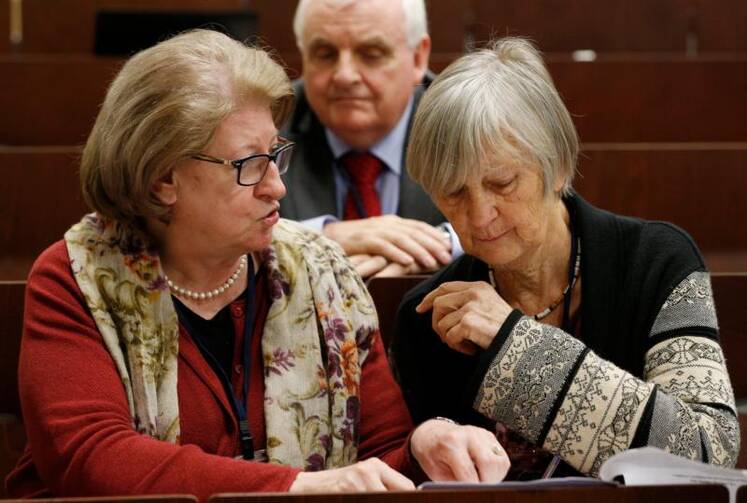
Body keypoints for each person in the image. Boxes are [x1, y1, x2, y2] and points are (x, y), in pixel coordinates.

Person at [5, 30, 511, 501]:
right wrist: (297, 487)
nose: (278, 186)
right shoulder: (77, 277)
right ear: (163, 179)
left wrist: (426, 445)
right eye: (250, 164)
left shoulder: (322, 272)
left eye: (276, 154)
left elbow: (377, 460)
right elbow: (91, 458)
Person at [390, 37, 739, 480]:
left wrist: (514, 344)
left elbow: (709, 452)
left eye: (502, 183)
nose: (479, 215)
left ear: (556, 166)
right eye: (454, 193)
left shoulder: (658, 262)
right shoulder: (428, 320)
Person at [280, 0, 457, 278]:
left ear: (418, 58)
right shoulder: (267, 125)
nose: (345, 76)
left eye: (371, 54)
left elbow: (538, 221)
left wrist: (443, 243)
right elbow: (216, 235)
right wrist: (320, 237)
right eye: (325, 54)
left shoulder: (466, 122)